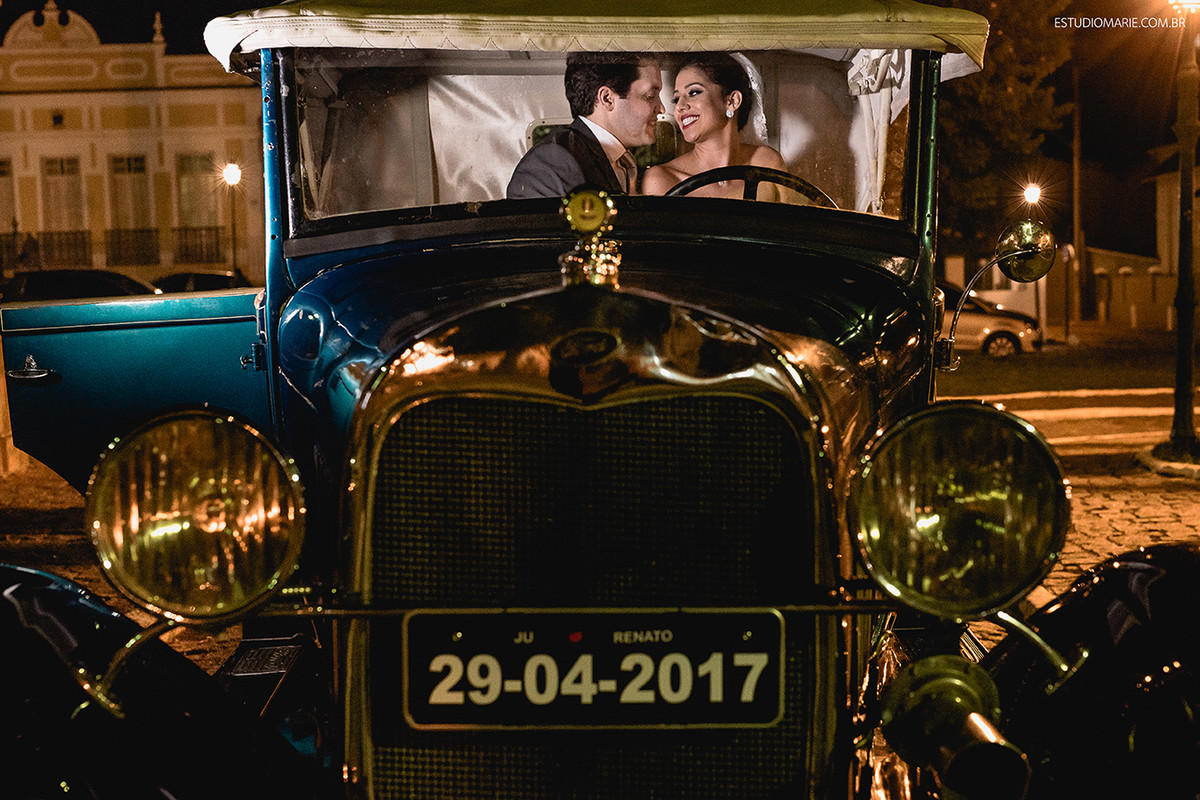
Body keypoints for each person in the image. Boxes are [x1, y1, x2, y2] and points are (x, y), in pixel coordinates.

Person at [507, 53, 663, 199]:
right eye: (650, 96)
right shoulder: (553, 163)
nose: (662, 108)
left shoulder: (623, 161)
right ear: (607, 98)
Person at [641, 53, 790, 201]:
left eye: (693, 93)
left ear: (732, 101)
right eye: (676, 99)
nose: (679, 107)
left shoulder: (765, 162)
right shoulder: (662, 179)